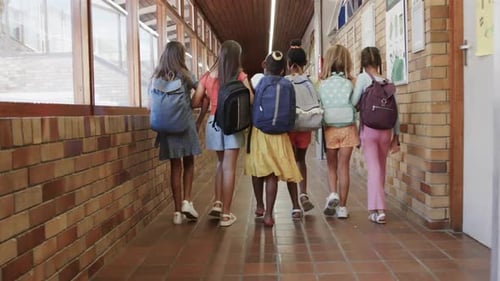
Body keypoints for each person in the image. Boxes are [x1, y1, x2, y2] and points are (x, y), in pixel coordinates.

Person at [192, 40, 253, 227]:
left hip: (213, 122)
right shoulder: (240, 75)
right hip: (232, 123)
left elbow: (195, 102)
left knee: (220, 164)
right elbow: (250, 98)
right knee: (229, 168)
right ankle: (226, 214)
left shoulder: (208, 77)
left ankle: (217, 203)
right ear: (237, 57)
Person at [245, 51, 303, 227]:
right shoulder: (288, 85)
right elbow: (292, 110)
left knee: (258, 170)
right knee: (273, 174)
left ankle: (260, 206)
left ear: (264, 65)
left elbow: (253, 105)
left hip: (260, 133)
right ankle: (269, 215)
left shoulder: (260, 82)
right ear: (282, 70)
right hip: (280, 135)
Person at [150, 41, 201, 225]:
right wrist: (199, 118)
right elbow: (201, 93)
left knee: (175, 167)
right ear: (180, 56)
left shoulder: (156, 77)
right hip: (185, 125)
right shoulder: (185, 75)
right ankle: (187, 201)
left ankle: (177, 212)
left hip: (166, 130)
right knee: (189, 163)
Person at [351, 46, 400, 224]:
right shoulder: (387, 80)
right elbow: (396, 111)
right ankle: (376, 208)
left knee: (373, 168)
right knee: (381, 167)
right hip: (386, 132)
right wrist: (397, 135)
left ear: (363, 62)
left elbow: (354, 101)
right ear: (378, 61)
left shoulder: (364, 78)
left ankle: (379, 210)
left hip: (369, 130)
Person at [319, 44, 359, 219]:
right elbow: (357, 104)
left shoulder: (322, 83)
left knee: (331, 166)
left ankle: (333, 193)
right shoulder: (352, 81)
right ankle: (342, 207)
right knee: (344, 167)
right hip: (348, 128)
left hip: (329, 128)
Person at [285, 39, 316, 213]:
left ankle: (294, 204)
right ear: (304, 63)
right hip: (306, 125)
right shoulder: (311, 81)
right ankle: (304, 193)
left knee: (290, 161)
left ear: (289, 64)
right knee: (301, 160)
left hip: (290, 127)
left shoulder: (285, 81)